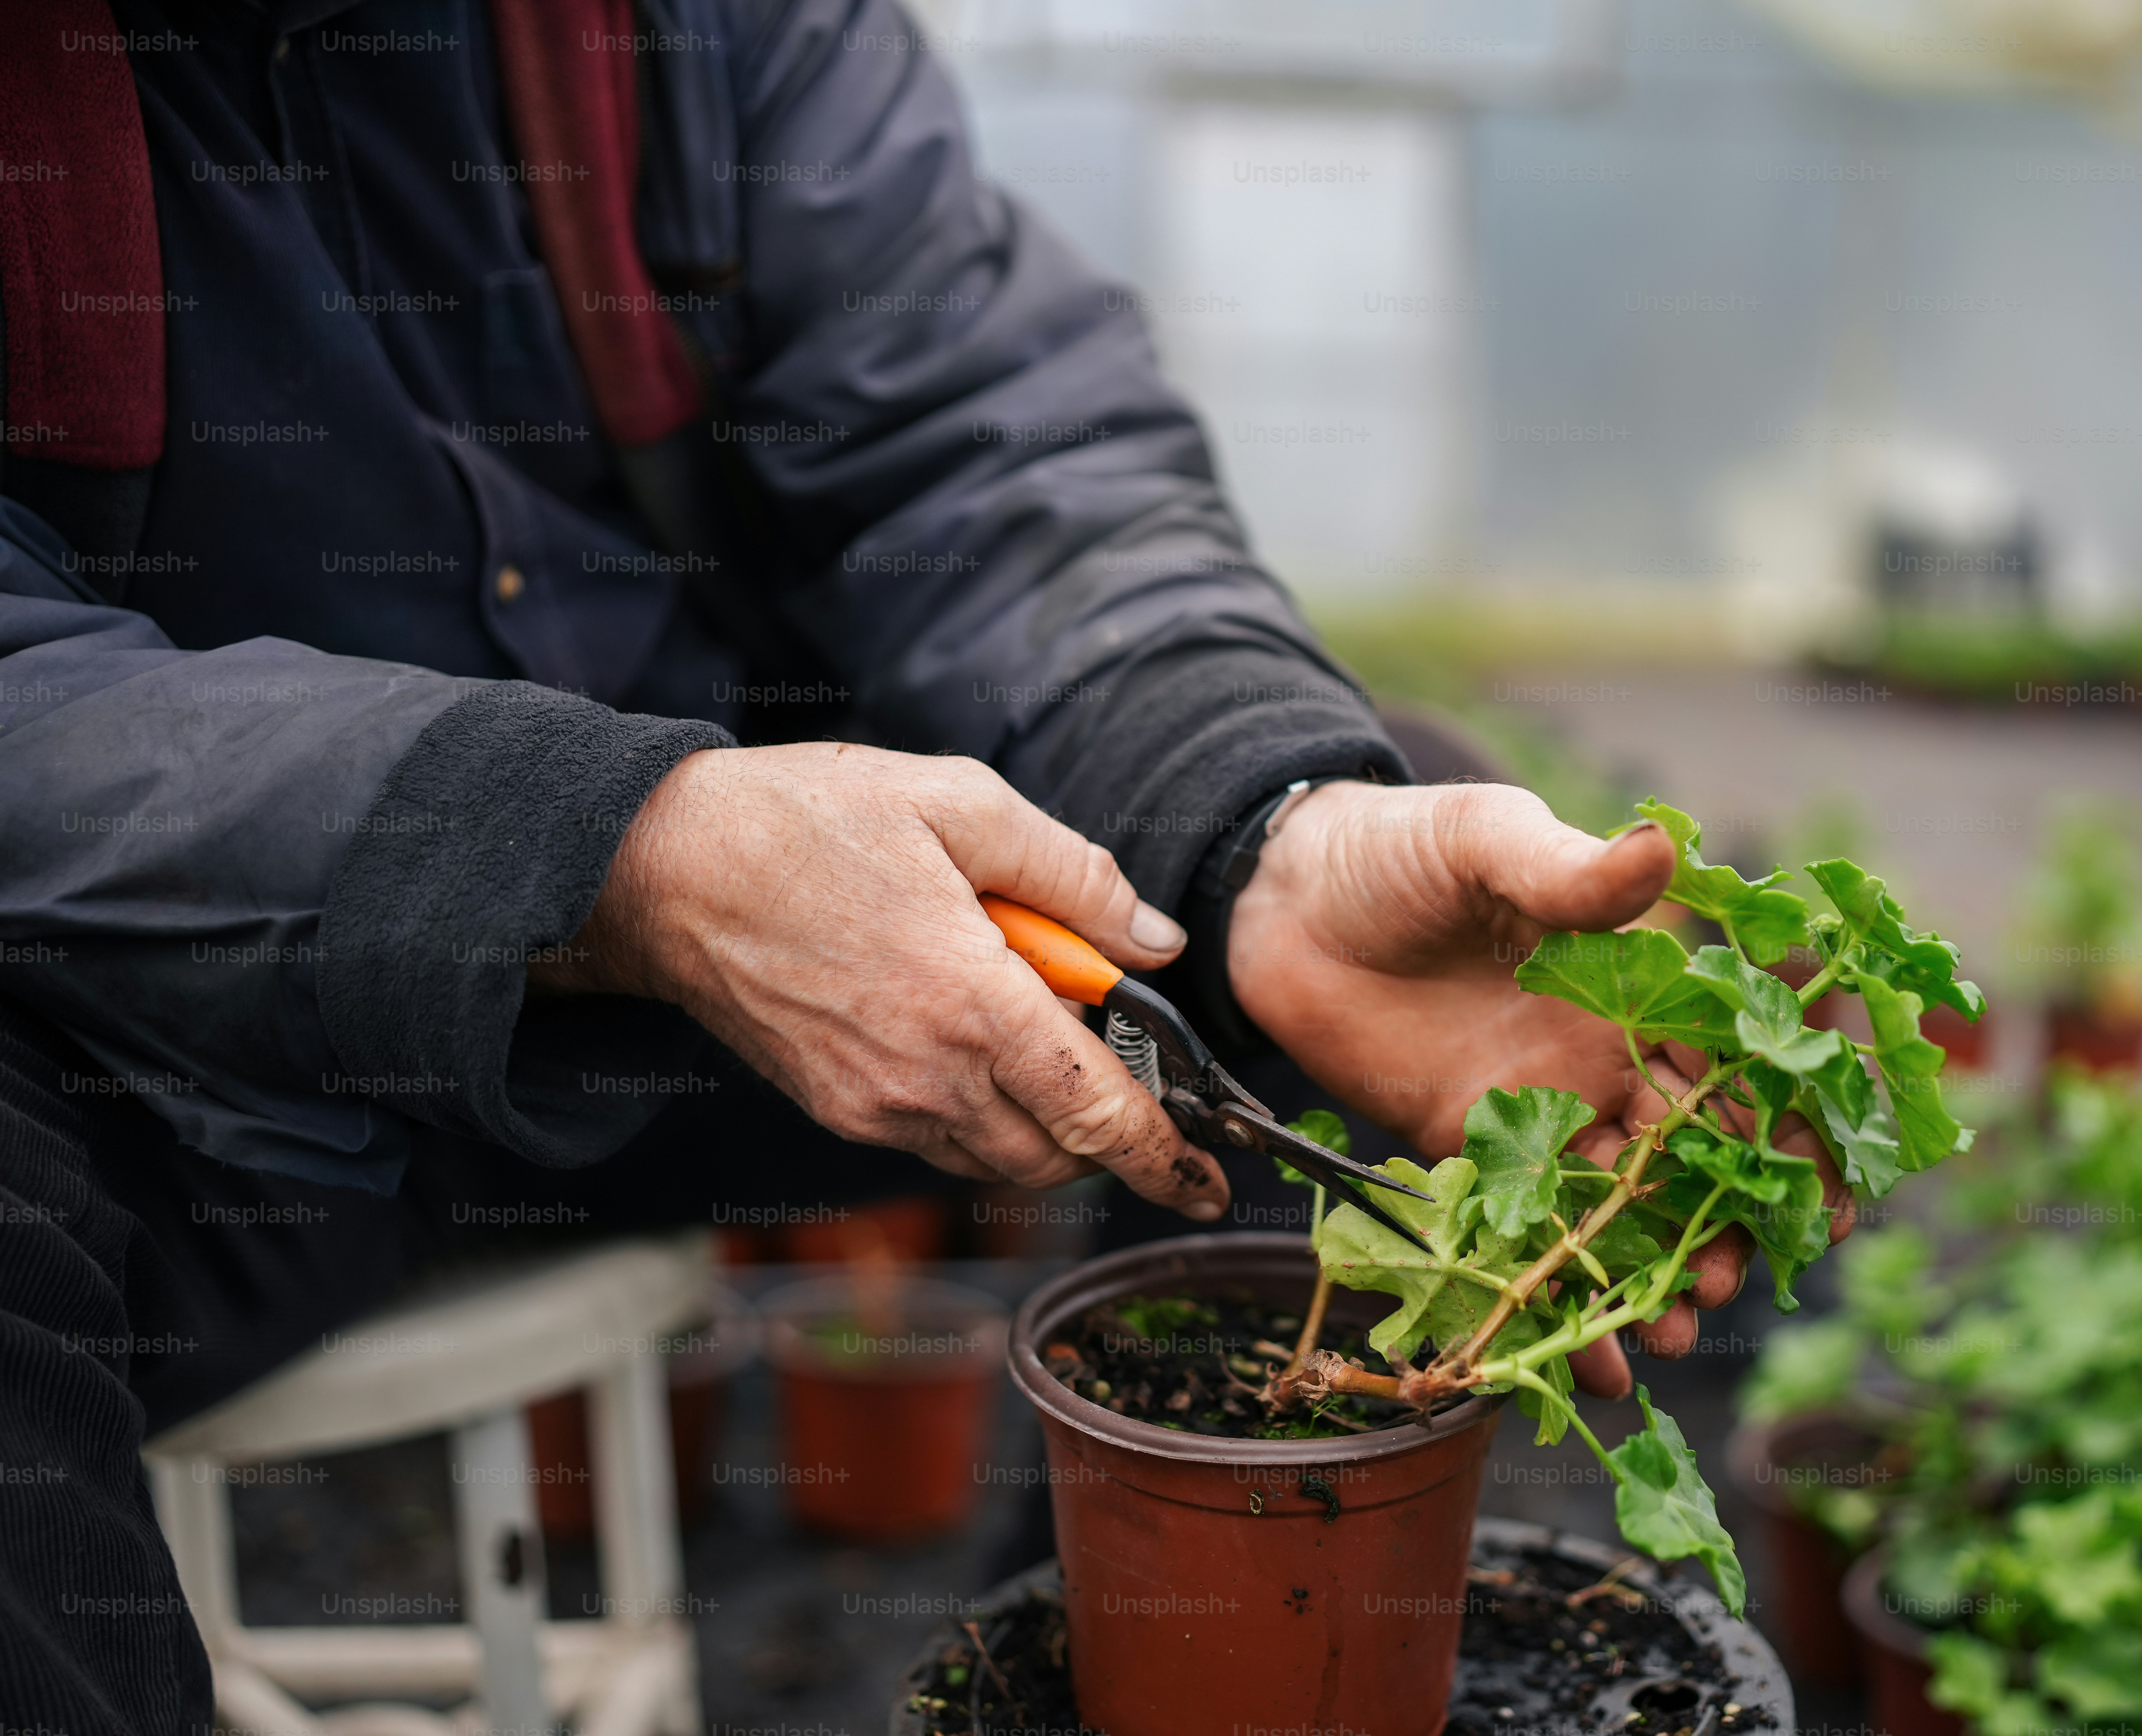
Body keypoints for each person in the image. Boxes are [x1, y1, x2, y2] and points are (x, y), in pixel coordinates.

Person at [0, 4, 1840, 1729]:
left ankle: (1135, 1662)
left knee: (1391, 905)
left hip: (690, 991)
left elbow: (983, 437)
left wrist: (1267, 826)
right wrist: (598, 846)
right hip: (156, 1069)